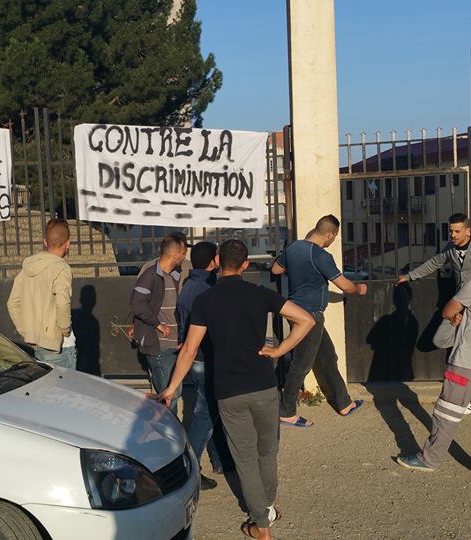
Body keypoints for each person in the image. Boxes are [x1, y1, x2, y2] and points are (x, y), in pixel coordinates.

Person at [153, 239, 315, 540]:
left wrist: (171, 388)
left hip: (229, 390)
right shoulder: (261, 294)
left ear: (218, 261)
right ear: (245, 265)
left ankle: (261, 522)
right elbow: (305, 320)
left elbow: (189, 349)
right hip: (264, 385)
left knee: (245, 457)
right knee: (267, 452)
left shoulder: (206, 301)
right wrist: (280, 350)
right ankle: (265, 510)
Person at [396, 237, 471, 483]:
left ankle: (429, 459)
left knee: (447, 411)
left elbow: (449, 311)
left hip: (468, 360)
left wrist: (457, 316)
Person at [271, 214, 367, 427]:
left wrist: (297, 269)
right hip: (309, 316)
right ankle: (286, 411)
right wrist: (359, 288)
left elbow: (276, 269)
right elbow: (344, 286)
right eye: (334, 237)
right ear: (330, 235)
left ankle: (344, 403)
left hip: (299, 311)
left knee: (328, 357)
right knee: (301, 364)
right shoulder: (321, 256)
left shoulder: (294, 248)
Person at [175, 241, 224, 490]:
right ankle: (191, 468)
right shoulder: (208, 287)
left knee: (210, 411)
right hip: (205, 357)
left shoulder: (188, 285)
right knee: (204, 415)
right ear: (213, 261)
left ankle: (218, 459)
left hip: (193, 358)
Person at [7, 219, 77, 369]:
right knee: (65, 391)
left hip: (37, 342)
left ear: (45, 241)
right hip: (60, 346)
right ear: (68, 243)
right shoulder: (61, 269)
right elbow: (62, 302)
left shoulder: (28, 266)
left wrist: (26, 331)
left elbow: (13, 303)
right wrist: (65, 328)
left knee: (46, 390)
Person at [131, 234, 187, 413]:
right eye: (183, 253)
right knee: (170, 396)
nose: (185, 257)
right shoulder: (150, 275)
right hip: (160, 347)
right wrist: (158, 324)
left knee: (171, 395)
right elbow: (137, 304)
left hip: (175, 345)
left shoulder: (176, 274)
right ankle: (159, 431)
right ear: (174, 254)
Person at [396, 213, 471, 291]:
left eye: (457, 231)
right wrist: (409, 276)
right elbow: (433, 263)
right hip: (460, 299)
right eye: (451, 231)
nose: (453, 235)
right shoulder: (450, 248)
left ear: (467, 231)